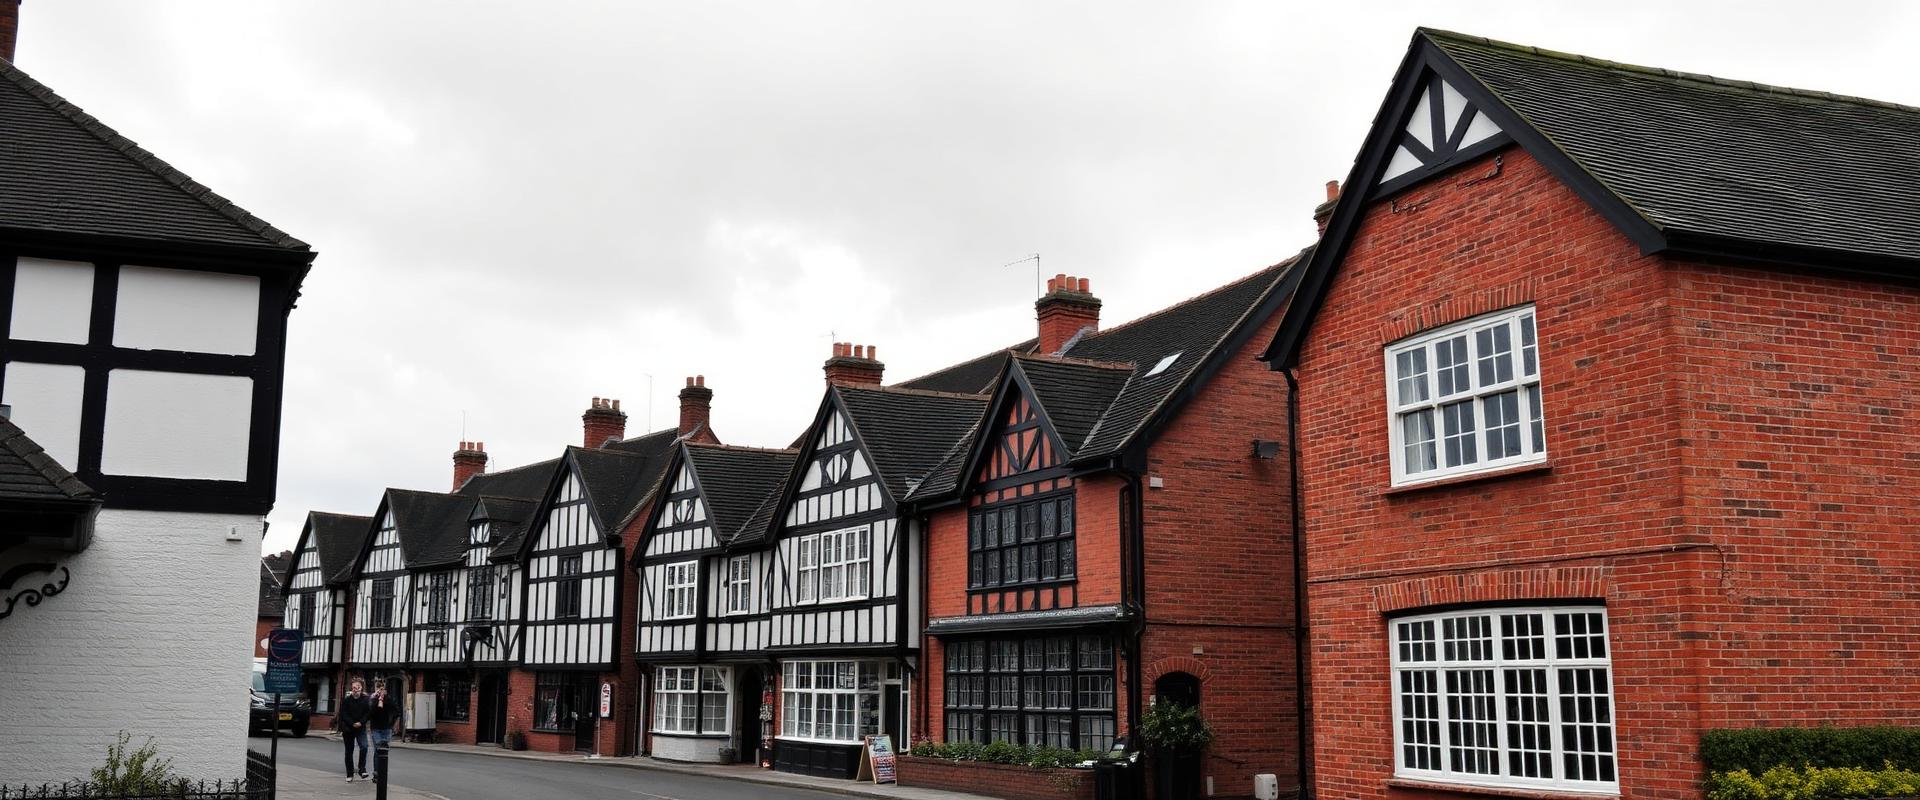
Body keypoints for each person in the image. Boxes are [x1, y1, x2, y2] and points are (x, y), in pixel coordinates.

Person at [367, 682, 406, 779]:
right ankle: (376, 773)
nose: (381, 691)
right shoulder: (373, 699)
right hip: (376, 728)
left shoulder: (389, 699)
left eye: (382, 689)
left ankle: (382, 772)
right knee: (377, 750)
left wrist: (392, 724)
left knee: (384, 751)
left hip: (387, 729)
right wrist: (376, 700)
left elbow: (396, 711)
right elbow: (369, 713)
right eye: (379, 688)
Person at [336, 678, 371, 782]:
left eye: (358, 687)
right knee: (349, 752)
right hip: (348, 729)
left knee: (364, 747)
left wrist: (361, 722)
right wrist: (352, 723)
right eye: (354, 687)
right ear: (351, 688)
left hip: (360, 728)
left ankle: (362, 769)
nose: (356, 689)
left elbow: (367, 713)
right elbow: (343, 714)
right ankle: (349, 774)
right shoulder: (347, 700)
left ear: (361, 688)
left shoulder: (365, 700)